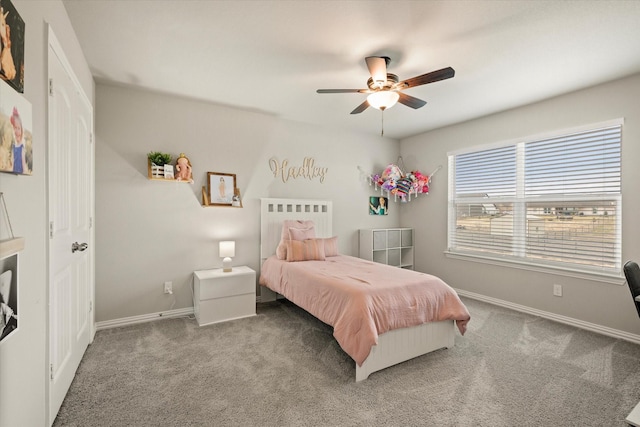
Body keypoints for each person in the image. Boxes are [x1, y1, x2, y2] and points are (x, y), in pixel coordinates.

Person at [10, 107, 27, 174]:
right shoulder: (13, 147)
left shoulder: (21, 147)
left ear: (21, 130)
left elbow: (24, 166)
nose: (16, 131)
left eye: (18, 128)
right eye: (15, 128)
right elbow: (12, 165)